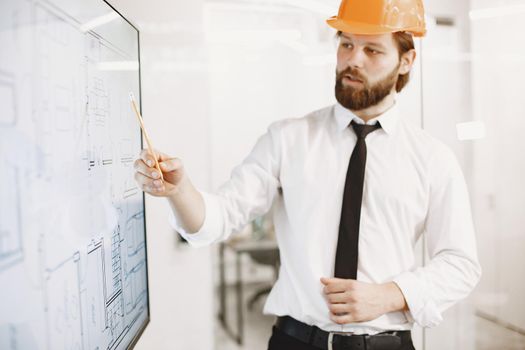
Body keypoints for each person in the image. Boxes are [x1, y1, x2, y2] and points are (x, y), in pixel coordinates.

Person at [133, 0, 481, 349]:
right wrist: (180, 191)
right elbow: (219, 217)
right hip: (295, 341)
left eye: (372, 49)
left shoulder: (433, 158)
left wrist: (391, 295)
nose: (353, 60)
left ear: (406, 61)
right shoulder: (288, 139)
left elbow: (460, 264)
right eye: (346, 44)